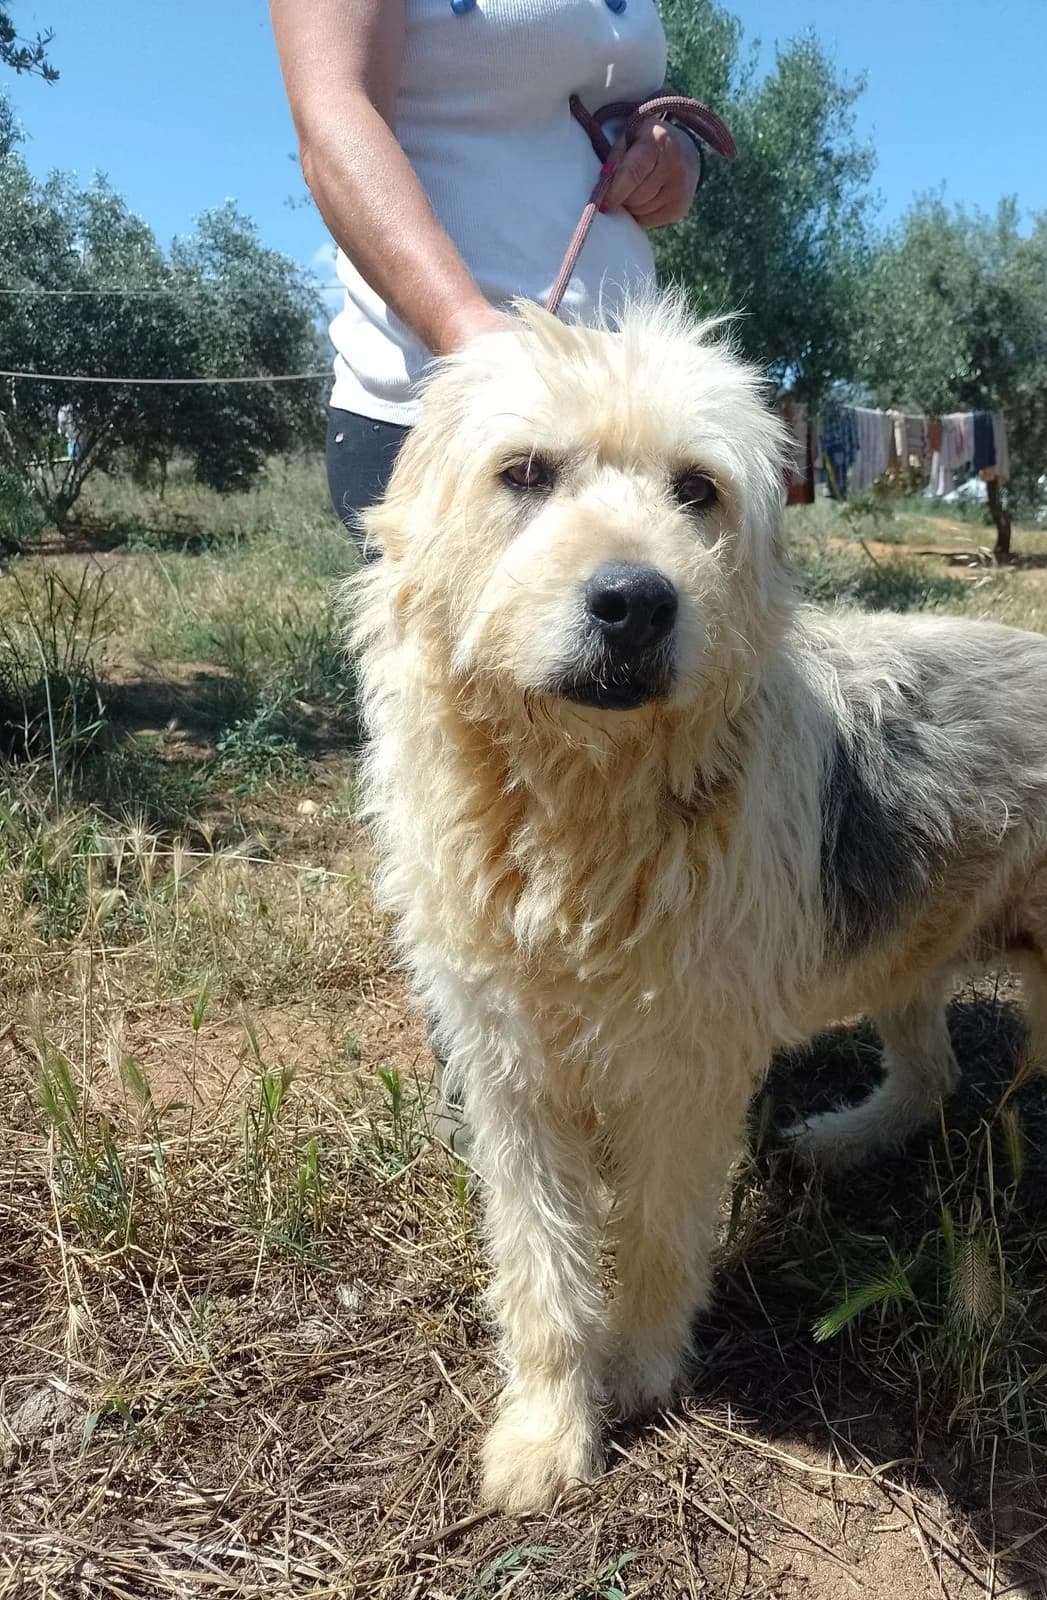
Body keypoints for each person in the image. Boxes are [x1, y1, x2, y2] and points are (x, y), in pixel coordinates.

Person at [270, 0, 704, 1149]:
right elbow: (332, 114)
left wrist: (663, 157)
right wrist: (479, 342)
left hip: (618, 422)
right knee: (466, 779)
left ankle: (636, 1061)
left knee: (635, 781)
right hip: (457, 408)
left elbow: (581, 103)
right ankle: (505, 1107)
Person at [269, 0, 704, 551]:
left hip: (631, 426)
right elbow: (334, 117)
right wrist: (467, 334)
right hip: (459, 424)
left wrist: (677, 157)